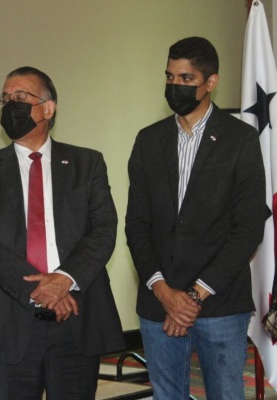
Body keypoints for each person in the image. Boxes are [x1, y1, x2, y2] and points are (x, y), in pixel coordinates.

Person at [0, 66, 124, 399]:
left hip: (77, 318)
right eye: (5, 98)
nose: (10, 105)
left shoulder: (87, 163)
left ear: (48, 109)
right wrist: (42, 290)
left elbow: (103, 230)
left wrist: (64, 280)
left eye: (20, 97)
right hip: (10, 320)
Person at [125, 37, 270, 399]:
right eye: (170, 76)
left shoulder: (240, 139)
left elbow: (248, 227)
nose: (175, 85)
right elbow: (136, 224)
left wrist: (192, 296)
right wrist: (164, 292)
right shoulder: (148, 140)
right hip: (158, 301)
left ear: (211, 82)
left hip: (220, 302)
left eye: (186, 79)